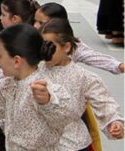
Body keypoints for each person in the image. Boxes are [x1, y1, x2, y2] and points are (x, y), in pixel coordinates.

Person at [37, 18, 124, 149]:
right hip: (38, 142)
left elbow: (103, 102)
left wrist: (114, 122)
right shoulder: (33, 70)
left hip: (72, 143)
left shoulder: (84, 77)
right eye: (41, 46)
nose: (44, 52)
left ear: (66, 47)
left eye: (49, 46)